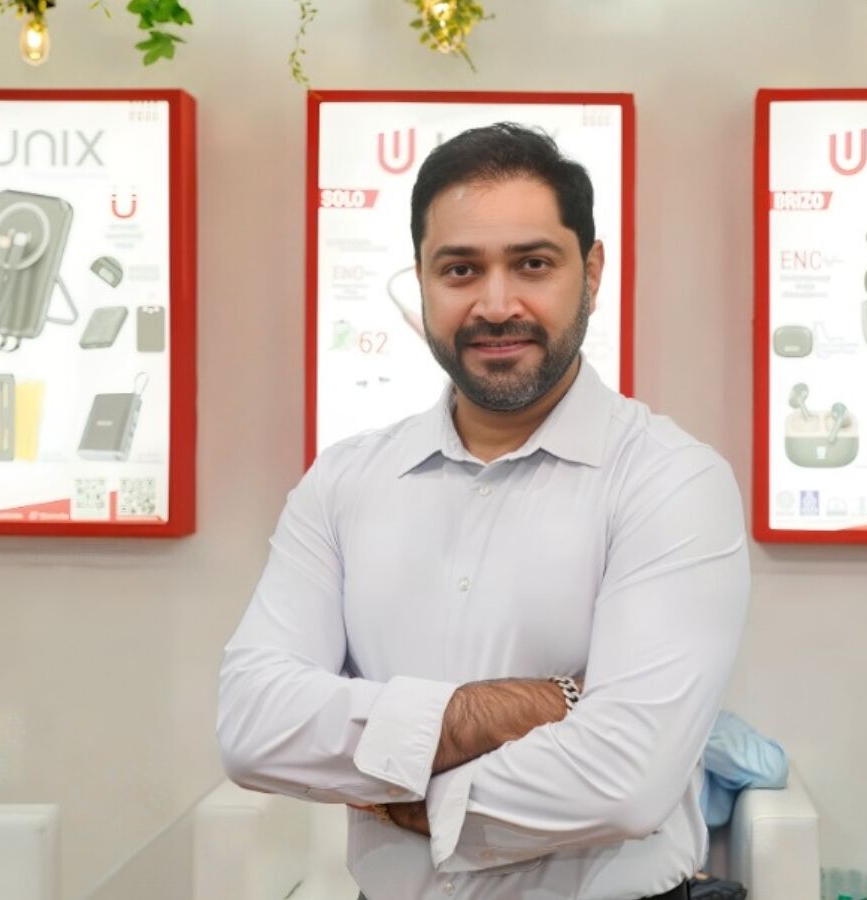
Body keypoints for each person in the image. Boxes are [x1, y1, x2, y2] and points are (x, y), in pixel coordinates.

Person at [218, 123, 750, 900]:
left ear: (591, 272)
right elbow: (253, 725)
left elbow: (625, 782)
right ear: (422, 281)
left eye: (533, 264)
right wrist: (543, 705)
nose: (496, 306)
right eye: (461, 269)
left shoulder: (671, 482)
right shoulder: (345, 481)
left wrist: (403, 793)